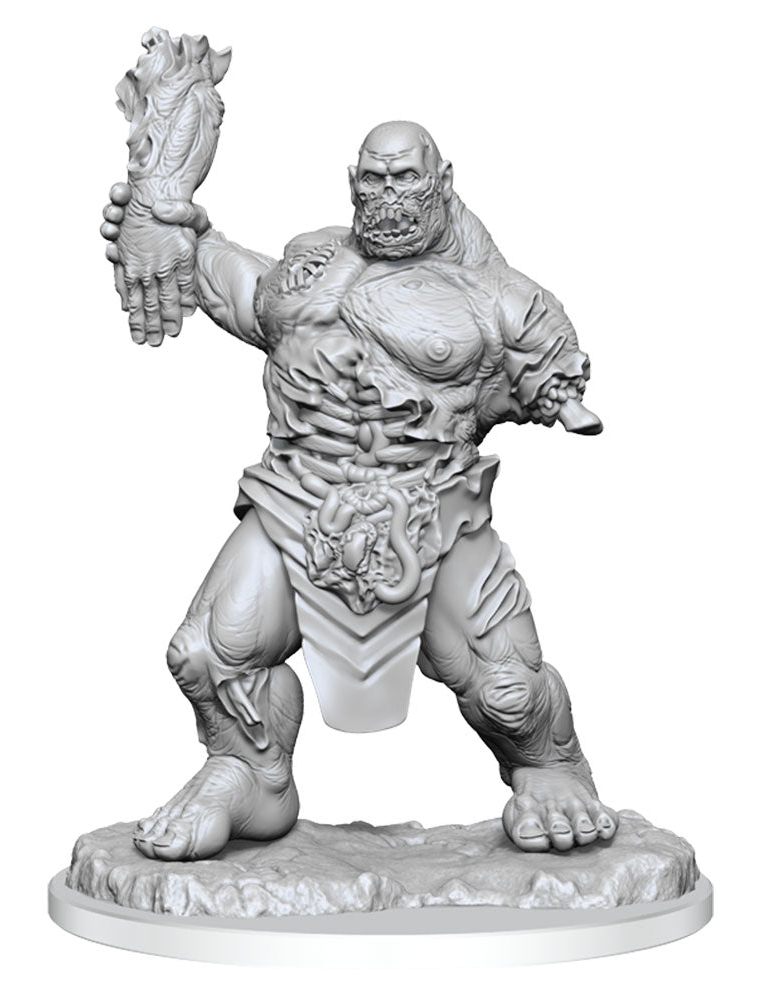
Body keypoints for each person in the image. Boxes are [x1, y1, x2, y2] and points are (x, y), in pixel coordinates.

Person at [101, 31, 617, 862]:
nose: (388, 194)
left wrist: (553, 395)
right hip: (297, 503)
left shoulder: (502, 301)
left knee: (510, 693)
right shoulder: (306, 268)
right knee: (203, 655)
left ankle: (552, 771)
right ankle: (251, 773)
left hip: (430, 514)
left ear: (442, 182)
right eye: (374, 179)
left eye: (406, 177)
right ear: (353, 182)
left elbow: (557, 383)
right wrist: (160, 215)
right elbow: (220, 278)